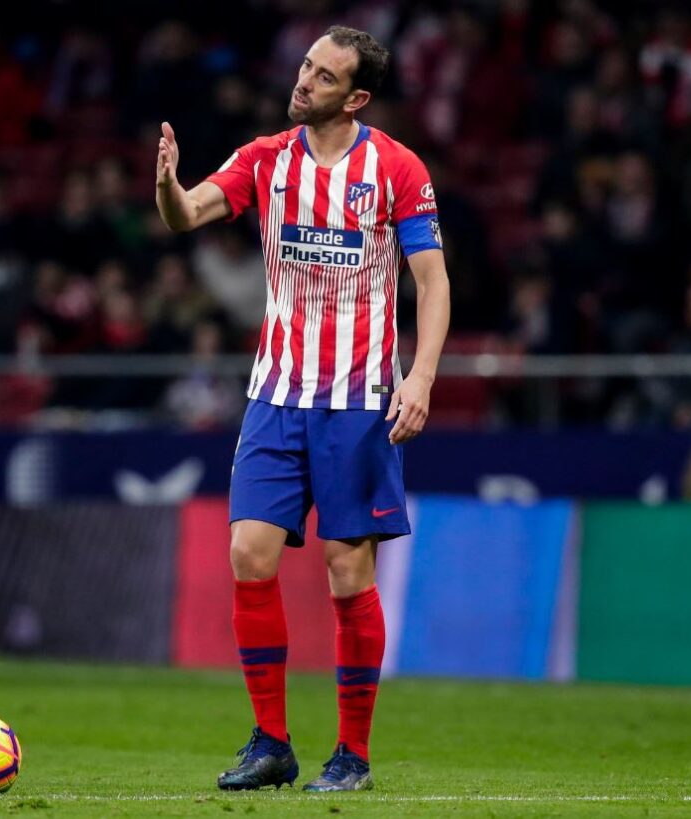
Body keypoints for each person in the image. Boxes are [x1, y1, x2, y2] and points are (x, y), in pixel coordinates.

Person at [154, 26, 450, 793]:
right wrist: (168, 187)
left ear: (356, 97)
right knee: (248, 554)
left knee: (347, 572)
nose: (304, 81)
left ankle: (352, 753)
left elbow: (432, 279)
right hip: (275, 396)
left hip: (358, 402)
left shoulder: (397, 168)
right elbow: (187, 215)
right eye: (306, 66)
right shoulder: (266, 159)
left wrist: (419, 377)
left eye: (323, 76)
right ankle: (272, 743)